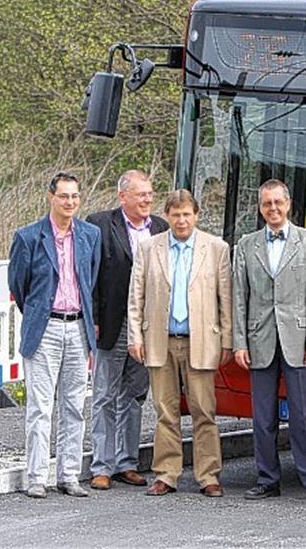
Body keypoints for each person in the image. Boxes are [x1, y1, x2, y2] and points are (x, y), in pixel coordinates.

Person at [127, 189, 233, 498]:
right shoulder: (149, 248)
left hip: (201, 341)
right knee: (166, 411)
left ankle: (209, 474)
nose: (182, 220)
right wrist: (136, 336)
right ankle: (166, 473)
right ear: (168, 217)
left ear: (196, 215)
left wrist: (227, 339)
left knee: (204, 411)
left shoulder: (216, 248)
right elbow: (137, 297)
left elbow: (224, 299)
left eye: (187, 214)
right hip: (160, 340)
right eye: (176, 215)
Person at [233, 179, 306, 504]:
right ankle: (267, 479)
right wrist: (239, 342)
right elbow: (239, 299)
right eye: (266, 204)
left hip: (299, 338)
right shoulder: (246, 245)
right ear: (260, 208)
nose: (272, 209)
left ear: (288, 204)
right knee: (263, 416)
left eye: (277, 203)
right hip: (260, 338)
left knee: (304, 415)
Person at [8, 171, 101, 499]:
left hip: (78, 326)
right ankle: (36, 476)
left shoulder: (90, 235)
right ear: (51, 197)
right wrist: (38, 314)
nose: (70, 202)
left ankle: (69, 474)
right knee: (40, 406)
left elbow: (91, 279)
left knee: (75, 404)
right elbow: (20, 286)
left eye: (75, 196)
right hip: (45, 326)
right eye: (64, 196)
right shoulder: (29, 237)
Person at [86, 170, 168, 491]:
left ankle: (126, 462)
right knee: (105, 394)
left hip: (148, 326)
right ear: (123, 196)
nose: (148, 199)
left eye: (150, 194)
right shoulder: (101, 224)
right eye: (141, 194)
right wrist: (92, 317)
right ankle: (101, 465)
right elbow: (91, 275)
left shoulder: (160, 228)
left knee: (134, 394)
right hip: (113, 322)